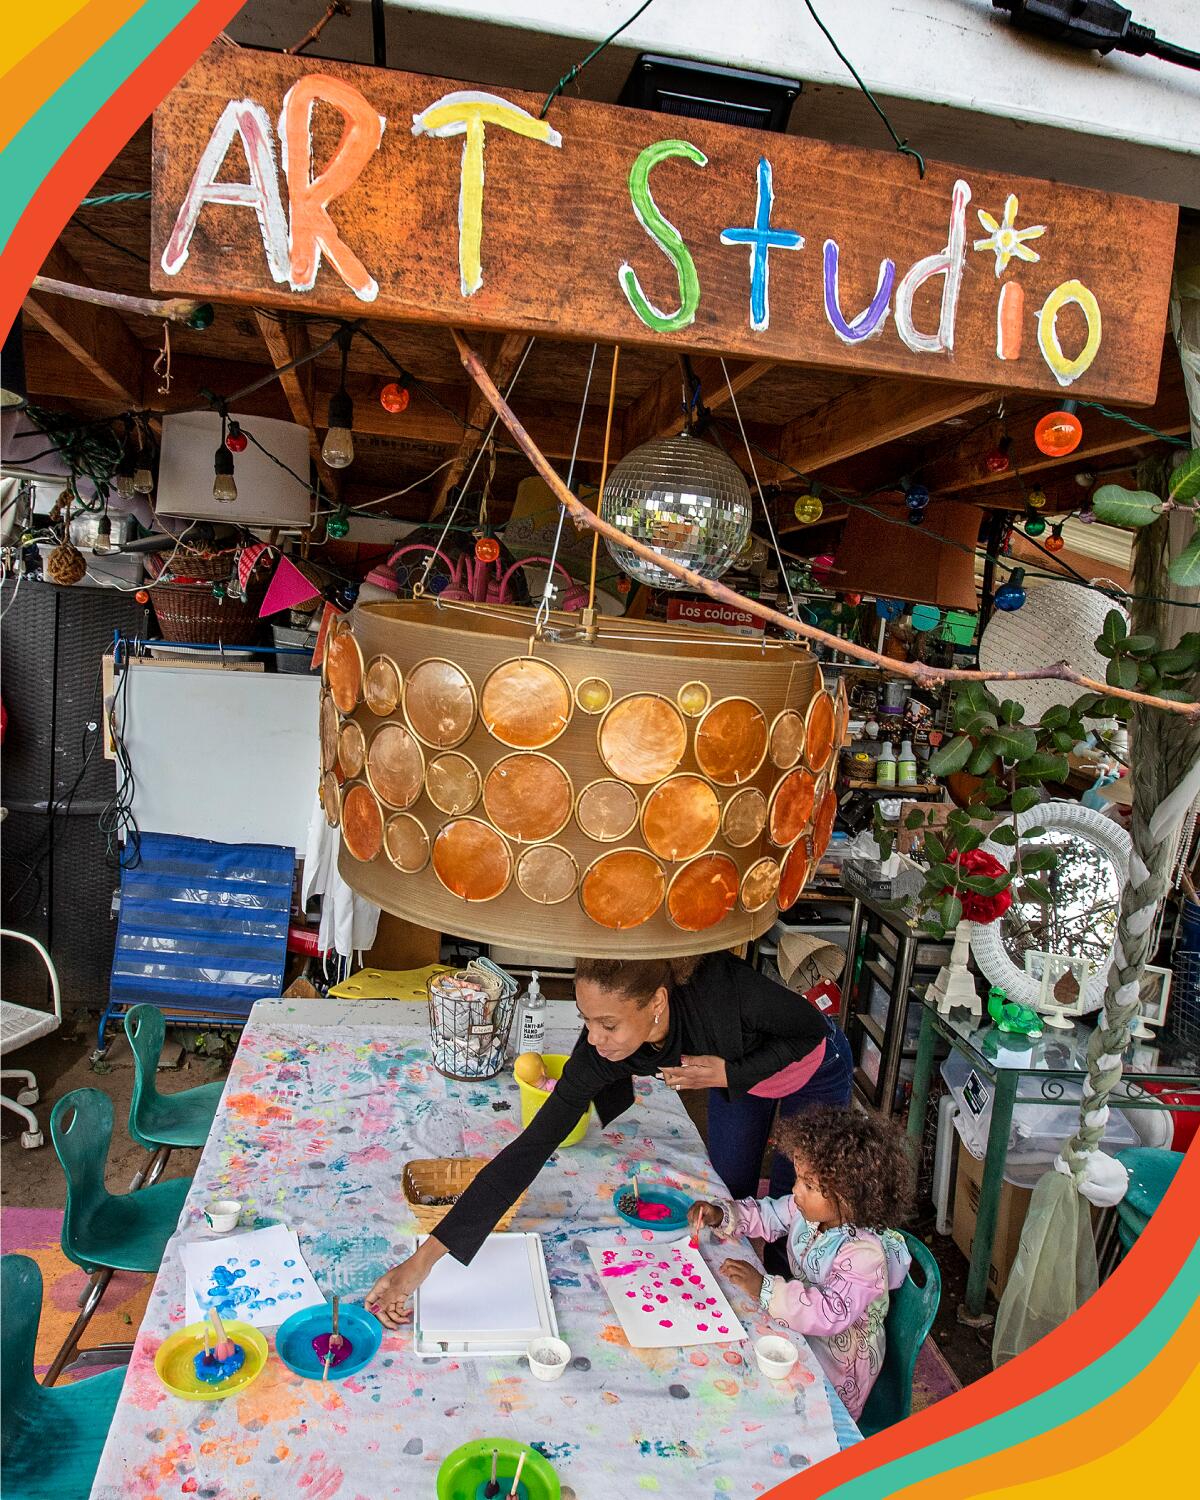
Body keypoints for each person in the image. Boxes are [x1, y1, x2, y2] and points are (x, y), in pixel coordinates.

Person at [367, 950, 853, 1326]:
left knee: (802, 1205)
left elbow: (809, 1029)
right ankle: (765, 1298)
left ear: (657, 1003)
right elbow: (527, 1151)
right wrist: (423, 1262)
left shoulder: (724, 994)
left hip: (808, 1064)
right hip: (729, 1071)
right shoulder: (601, 1049)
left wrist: (732, 1072)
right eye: (586, 1020)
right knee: (733, 1196)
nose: (594, 1040)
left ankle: (803, 1309)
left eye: (609, 1024)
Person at [687, 1106, 914, 1420]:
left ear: (847, 1196)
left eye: (808, 1185)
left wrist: (765, 1289)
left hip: (838, 1359)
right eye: (798, 1179)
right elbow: (768, 1215)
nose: (795, 1191)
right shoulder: (810, 1213)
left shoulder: (864, 1255)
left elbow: (827, 1314)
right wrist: (722, 1215)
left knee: (788, 1408)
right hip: (800, 1325)